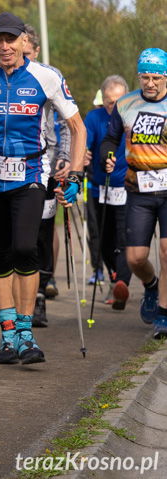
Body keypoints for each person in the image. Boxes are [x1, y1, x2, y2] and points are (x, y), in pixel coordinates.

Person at [0, 11, 86, 365]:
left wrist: (76, 173)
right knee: (1, 253)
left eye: (11, 39)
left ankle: (26, 332)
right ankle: (7, 334)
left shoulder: (45, 76)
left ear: (24, 41)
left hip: (31, 173)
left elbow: (78, 127)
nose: (5, 47)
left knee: (26, 247)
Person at [101, 48, 167, 339]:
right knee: (135, 258)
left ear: (165, 77)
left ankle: (163, 315)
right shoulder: (126, 103)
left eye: (155, 78)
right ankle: (151, 285)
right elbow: (110, 138)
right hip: (137, 188)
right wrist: (107, 155)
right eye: (144, 78)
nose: (150, 84)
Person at [22, 25, 71, 328]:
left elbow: (67, 121)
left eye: (26, 54)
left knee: (42, 229)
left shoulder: (51, 75)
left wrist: (65, 157)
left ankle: (40, 293)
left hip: (47, 163)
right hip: (10, 165)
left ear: (36, 52)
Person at [84, 75, 131, 311]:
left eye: (119, 101)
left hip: (128, 187)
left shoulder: (134, 116)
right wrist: (84, 154)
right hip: (99, 187)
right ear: (103, 100)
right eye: (110, 101)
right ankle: (115, 277)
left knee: (125, 238)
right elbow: (86, 143)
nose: (114, 106)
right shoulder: (94, 117)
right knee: (103, 238)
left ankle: (121, 283)